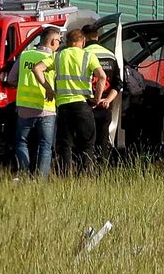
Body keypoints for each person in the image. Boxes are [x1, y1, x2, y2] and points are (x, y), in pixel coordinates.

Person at [53, 29, 109, 174]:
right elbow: (102, 77)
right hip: (82, 105)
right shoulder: (88, 55)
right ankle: (86, 175)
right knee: (87, 144)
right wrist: (97, 99)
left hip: (63, 106)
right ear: (83, 41)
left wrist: (50, 89)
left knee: (65, 145)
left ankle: (65, 176)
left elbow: (39, 69)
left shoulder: (58, 55)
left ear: (67, 41)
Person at [15, 26, 62, 178]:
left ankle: (23, 175)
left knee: (22, 143)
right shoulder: (53, 59)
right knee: (45, 146)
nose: (60, 44)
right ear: (53, 41)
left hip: (24, 109)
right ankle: (41, 181)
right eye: (59, 41)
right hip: (46, 109)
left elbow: (10, 79)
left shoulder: (25, 55)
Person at [82, 26, 122, 163]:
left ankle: (85, 170)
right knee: (102, 142)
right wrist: (107, 100)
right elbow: (118, 84)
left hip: (86, 105)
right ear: (97, 36)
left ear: (84, 38)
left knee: (85, 142)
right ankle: (102, 172)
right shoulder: (110, 55)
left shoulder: (82, 54)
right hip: (105, 107)